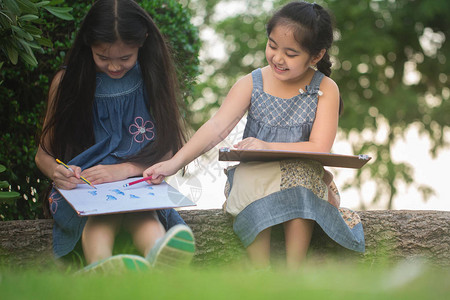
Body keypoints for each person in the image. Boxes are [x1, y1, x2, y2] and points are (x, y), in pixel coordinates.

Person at [143, 1, 365, 270]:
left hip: (301, 171)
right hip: (255, 171)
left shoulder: (325, 88)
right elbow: (216, 127)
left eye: (291, 53)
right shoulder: (252, 82)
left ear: (316, 56)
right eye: (272, 46)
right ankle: (261, 272)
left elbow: (319, 147)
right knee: (250, 183)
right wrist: (173, 164)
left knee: (301, 176)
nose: (278, 58)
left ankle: (294, 270)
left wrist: (268, 145)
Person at [35, 0, 195, 273]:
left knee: (143, 217)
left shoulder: (151, 78)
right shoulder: (67, 83)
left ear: (142, 41)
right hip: (86, 189)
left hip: (137, 185)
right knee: (102, 219)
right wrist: (57, 172)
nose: (114, 67)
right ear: (89, 44)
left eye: (124, 58)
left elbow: (168, 152)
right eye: (103, 57)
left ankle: (161, 264)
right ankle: (101, 269)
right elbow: (43, 154)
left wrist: (126, 169)